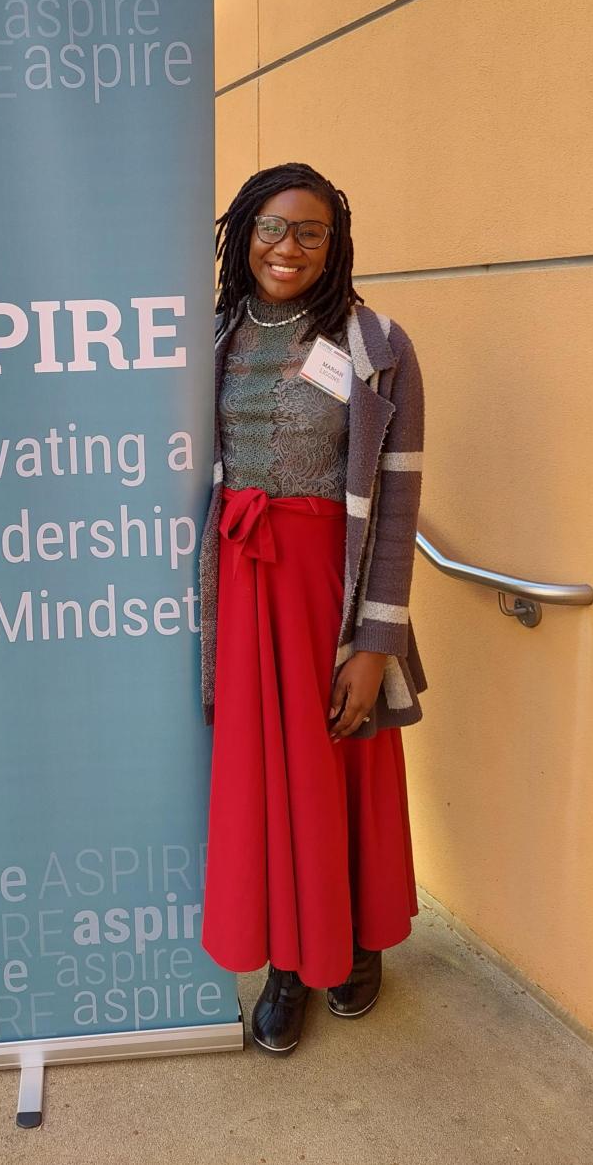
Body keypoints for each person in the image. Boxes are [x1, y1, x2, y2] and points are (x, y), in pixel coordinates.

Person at [198, 161, 428, 1055]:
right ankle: (289, 964)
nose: (286, 248)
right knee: (265, 780)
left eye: (309, 232)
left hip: (330, 589)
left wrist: (374, 642)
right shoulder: (209, 334)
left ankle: (359, 942)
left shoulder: (378, 344)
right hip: (243, 585)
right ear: (241, 235)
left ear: (335, 246)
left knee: (346, 762)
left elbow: (400, 504)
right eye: (269, 228)